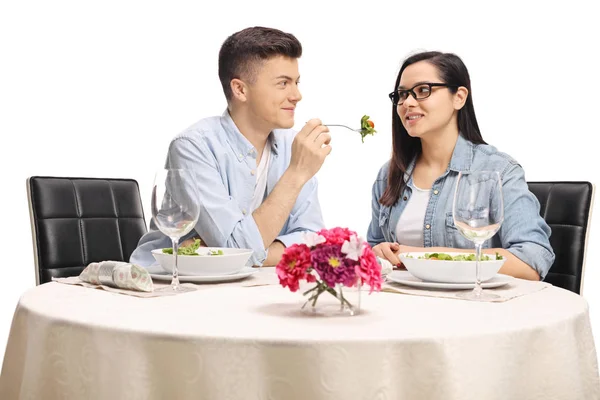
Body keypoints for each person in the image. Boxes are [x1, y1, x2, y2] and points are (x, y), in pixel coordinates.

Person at [130, 26, 331, 268]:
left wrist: (236, 252)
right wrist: (296, 174)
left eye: (296, 82)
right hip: (172, 286)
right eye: (283, 83)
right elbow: (236, 248)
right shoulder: (193, 147)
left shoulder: (294, 146)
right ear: (240, 89)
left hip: (249, 287)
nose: (297, 95)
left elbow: (315, 244)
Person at [367, 51, 554, 281]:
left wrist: (427, 258)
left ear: (459, 97)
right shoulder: (388, 175)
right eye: (402, 94)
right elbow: (373, 252)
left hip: (477, 311)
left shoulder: (499, 171)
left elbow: (531, 260)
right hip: (404, 309)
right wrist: (376, 254)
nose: (408, 102)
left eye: (423, 90)